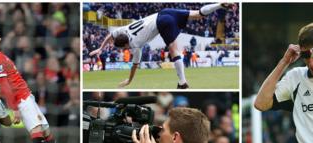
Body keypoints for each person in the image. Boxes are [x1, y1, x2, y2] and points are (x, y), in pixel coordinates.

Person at [0, 27, 79, 143]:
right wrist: (15, 108)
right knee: (36, 131)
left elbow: (3, 81)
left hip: (26, 96)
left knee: (46, 131)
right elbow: (5, 85)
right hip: (21, 100)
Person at [89, 3, 234, 89]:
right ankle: (219, 4)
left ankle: (183, 83)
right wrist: (100, 48)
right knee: (197, 14)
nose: (126, 49)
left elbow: (134, 66)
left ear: (126, 44)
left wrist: (129, 80)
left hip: (162, 23)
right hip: (165, 12)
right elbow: (111, 36)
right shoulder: (123, 30)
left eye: (124, 48)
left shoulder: (135, 45)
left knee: (174, 50)